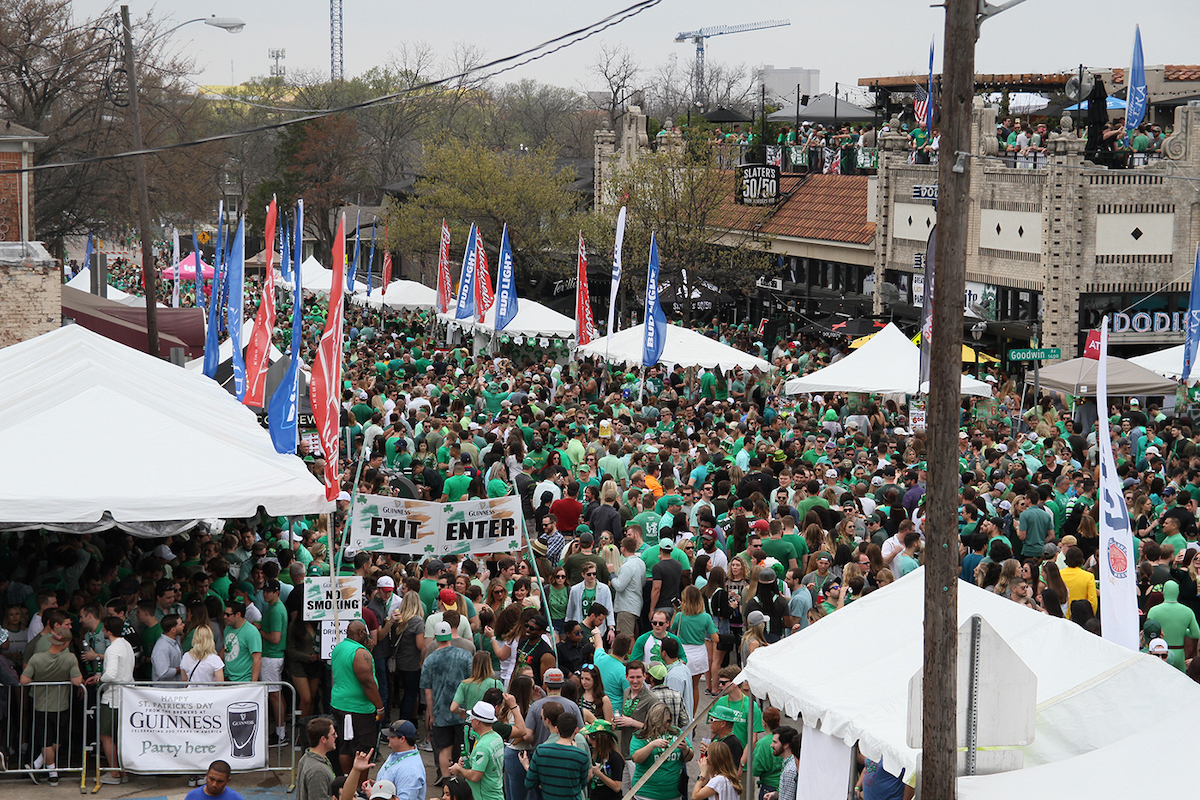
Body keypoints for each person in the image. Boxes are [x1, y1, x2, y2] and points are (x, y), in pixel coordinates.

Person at [21, 631, 83, 785]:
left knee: (46, 742)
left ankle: (38, 766)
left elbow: (24, 680)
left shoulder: (36, 658)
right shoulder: (70, 658)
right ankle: (52, 773)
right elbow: (77, 681)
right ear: (66, 643)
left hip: (41, 704)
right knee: (56, 740)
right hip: (61, 705)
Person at [423, 620, 474, 780]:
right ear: (450, 635)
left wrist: (431, 715)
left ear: (435, 636)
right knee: (463, 749)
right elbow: (472, 683)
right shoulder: (465, 655)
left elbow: (428, 693)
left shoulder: (429, 660)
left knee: (445, 750)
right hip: (462, 712)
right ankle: (461, 783)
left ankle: (447, 783)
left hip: (441, 712)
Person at [331, 620, 384, 775]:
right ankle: (358, 784)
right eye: (366, 632)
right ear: (361, 633)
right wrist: (380, 708)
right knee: (362, 750)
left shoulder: (340, 647)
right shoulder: (360, 653)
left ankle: (347, 780)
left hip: (340, 703)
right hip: (357, 709)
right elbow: (368, 683)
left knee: (345, 744)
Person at [94, 615, 134, 785]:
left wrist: (98, 678)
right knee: (121, 736)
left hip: (112, 698)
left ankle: (114, 772)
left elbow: (110, 674)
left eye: (104, 629)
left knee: (106, 735)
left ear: (108, 631)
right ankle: (124, 771)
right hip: (127, 696)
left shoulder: (112, 649)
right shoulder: (127, 645)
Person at [521, 710, 591, 800]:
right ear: (576, 731)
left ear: (557, 729)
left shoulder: (541, 751)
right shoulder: (582, 756)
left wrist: (527, 766)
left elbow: (529, 783)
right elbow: (582, 784)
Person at [614, 660, 660, 796]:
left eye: (638, 677)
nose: (635, 681)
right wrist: (617, 722)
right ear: (626, 677)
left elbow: (657, 728)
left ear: (645, 676)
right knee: (625, 793)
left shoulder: (651, 699)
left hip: (639, 754)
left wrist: (633, 722)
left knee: (639, 793)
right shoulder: (627, 692)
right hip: (624, 751)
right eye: (632, 677)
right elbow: (626, 716)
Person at [630, 703, 691, 800]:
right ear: (655, 721)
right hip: (646, 793)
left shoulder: (676, 732)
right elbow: (636, 758)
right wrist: (652, 745)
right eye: (664, 722)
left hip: (673, 793)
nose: (667, 725)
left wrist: (685, 748)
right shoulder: (641, 735)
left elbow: (689, 757)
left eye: (669, 721)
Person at [670, 585, 717, 711]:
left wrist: (676, 611)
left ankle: (680, 713)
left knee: (680, 686)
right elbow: (715, 638)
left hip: (683, 653)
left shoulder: (680, 616)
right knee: (694, 687)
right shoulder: (705, 617)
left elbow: (673, 627)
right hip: (699, 653)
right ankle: (692, 716)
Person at [450, 701, 505, 800]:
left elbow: (475, 776)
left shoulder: (482, 746)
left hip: (484, 797)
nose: (470, 721)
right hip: (496, 794)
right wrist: (470, 761)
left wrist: (459, 769)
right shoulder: (497, 737)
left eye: (472, 718)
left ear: (477, 721)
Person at [375, 720, 426, 800]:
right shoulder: (398, 753)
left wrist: (375, 795)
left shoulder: (410, 771)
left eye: (392, 736)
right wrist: (377, 786)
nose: (388, 738)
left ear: (402, 739)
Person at [297, 717, 338, 800]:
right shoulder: (318, 771)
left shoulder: (306, 758)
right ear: (323, 739)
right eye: (333, 734)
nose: (336, 736)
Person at [582, 720, 624, 800]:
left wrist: (599, 773)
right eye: (589, 736)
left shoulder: (615, 758)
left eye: (593, 737)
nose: (590, 740)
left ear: (603, 738)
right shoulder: (593, 753)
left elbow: (617, 787)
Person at [222, 601, 262, 683]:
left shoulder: (251, 632)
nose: (224, 617)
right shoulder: (228, 628)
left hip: (243, 681)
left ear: (238, 614)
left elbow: (257, 659)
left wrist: (253, 684)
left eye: (228, 615)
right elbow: (224, 648)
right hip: (228, 678)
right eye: (224, 613)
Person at [152, 612, 184, 682]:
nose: (183, 625)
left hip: (176, 686)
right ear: (173, 630)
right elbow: (163, 672)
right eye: (180, 624)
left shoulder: (176, 640)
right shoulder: (161, 647)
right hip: (166, 688)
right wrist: (181, 669)